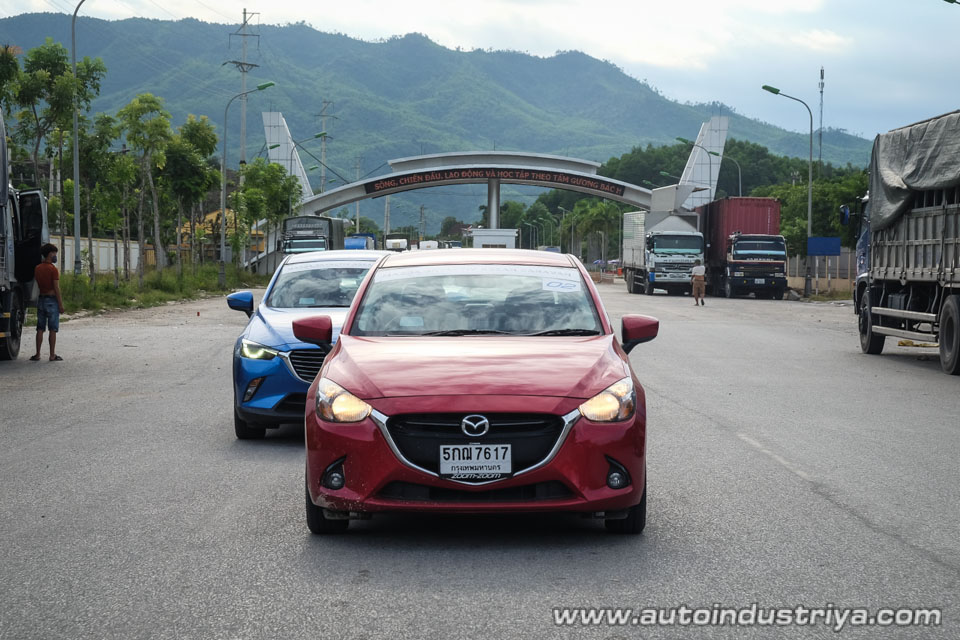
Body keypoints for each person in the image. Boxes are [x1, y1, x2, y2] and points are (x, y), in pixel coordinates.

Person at [31, 243, 65, 361]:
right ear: (50, 253)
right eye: (55, 253)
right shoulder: (53, 270)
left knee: (40, 328)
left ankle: (37, 354)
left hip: (41, 299)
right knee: (52, 329)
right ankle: (52, 355)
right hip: (52, 300)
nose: (55, 255)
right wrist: (60, 304)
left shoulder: (37, 268)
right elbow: (56, 288)